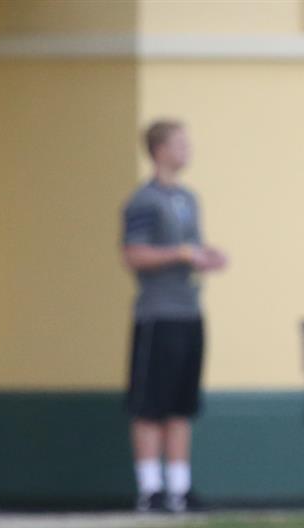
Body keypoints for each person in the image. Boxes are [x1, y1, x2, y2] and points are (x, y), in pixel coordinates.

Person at [121, 120, 227, 513]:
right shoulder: (143, 202)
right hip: (157, 315)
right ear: (159, 149)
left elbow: (191, 248)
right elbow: (133, 254)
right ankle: (150, 489)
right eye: (179, 143)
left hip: (189, 312)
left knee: (182, 404)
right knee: (150, 405)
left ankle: (180, 490)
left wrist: (206, 256)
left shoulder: (188, 198)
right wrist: (179, 254)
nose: (186, 150)